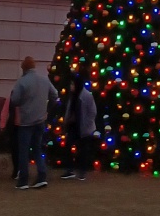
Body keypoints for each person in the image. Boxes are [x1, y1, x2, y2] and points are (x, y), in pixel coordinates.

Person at [10, 55, 59, 190]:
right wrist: (47, 109)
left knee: (23, 150)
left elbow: (14, 100)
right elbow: (55, 95)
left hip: (26, 121)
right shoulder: (44, 80)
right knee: (37, 148)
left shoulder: (22, 82)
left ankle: (23, 180)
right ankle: (42, 176)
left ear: (24, 68)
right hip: (41, 119)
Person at [61, 72, 98, 180]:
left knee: (83, 150)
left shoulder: (87, 96)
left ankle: (82, 171)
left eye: (72, 84)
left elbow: (92, 112)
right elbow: (69, 110)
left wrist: (87, 123)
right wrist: (66, 121)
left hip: (84, 127)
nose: (71, 86)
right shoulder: (72, 96)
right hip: (73, 126)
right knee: (68, 145)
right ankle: (69, 170)